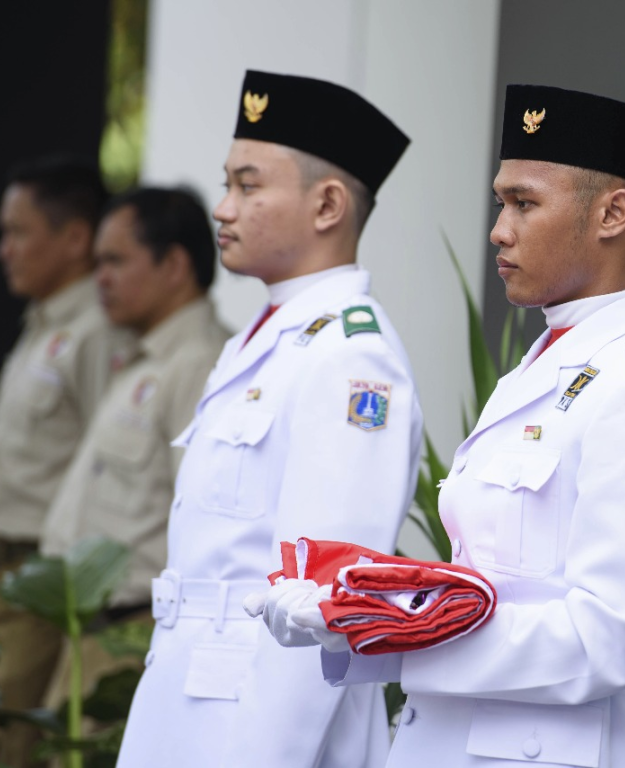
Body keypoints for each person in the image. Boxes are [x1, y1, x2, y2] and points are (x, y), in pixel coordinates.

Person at [257, 84, 625, 768]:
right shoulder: (550, 364)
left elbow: (613, 636)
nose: (499, 230)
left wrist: (401, 637)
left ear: (612, 213)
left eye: (524, 203)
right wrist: (362, 615)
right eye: (500, 203)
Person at [116, 71, 422, 768]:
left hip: (256, 722)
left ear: (327, 205)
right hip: (187, 694)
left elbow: (316, 600)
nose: (223, 208)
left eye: (249, 187)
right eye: (227, 184)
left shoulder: (351, 357)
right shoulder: (265, 337)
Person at [39, 186, 231, 710]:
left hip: (133, 628)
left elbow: (201, 517)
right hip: (96, 627)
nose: (99, 278)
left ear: (174, 264)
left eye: (116, 261)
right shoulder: (146, 355)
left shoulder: (195, 363)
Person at [0, 155, 124, 767]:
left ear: (75, 237)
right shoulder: (45, 321)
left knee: (10, 745)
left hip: (36, 579)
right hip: (0, 577)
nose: (4, 249)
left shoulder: (93, 331)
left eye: (18, 232)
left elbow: (100, 465)